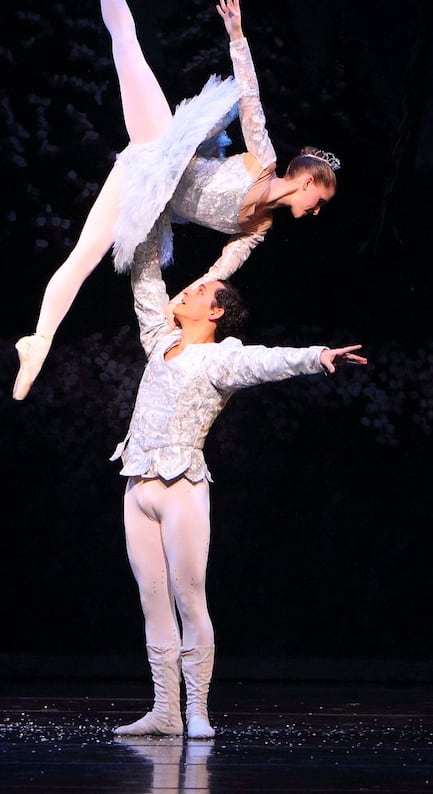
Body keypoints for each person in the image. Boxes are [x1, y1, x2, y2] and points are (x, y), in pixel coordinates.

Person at [12, 0, 341, 401]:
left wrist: (181, 302)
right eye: (319, 201)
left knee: (86, 253)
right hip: (162, 149)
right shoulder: (264, 160)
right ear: (309, 180)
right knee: (128, 47)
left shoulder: (260, 228)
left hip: (150, 193)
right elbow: (250, 99)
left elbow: (217, 274)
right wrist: (238, 39)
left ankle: (37, 341)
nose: (314, 211)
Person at [109, 218, 367, 738]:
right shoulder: (159, 339)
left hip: (182, 489)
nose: (189, 289)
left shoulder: (219, 358)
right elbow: (146, 279)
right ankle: (165, 710)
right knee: (151, 598)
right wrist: (145, 220)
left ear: (217, 311)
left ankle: (198, 709)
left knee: (189, 596)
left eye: (201, 289)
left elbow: (264, 362)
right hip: (137, 485)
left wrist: (317, 356)